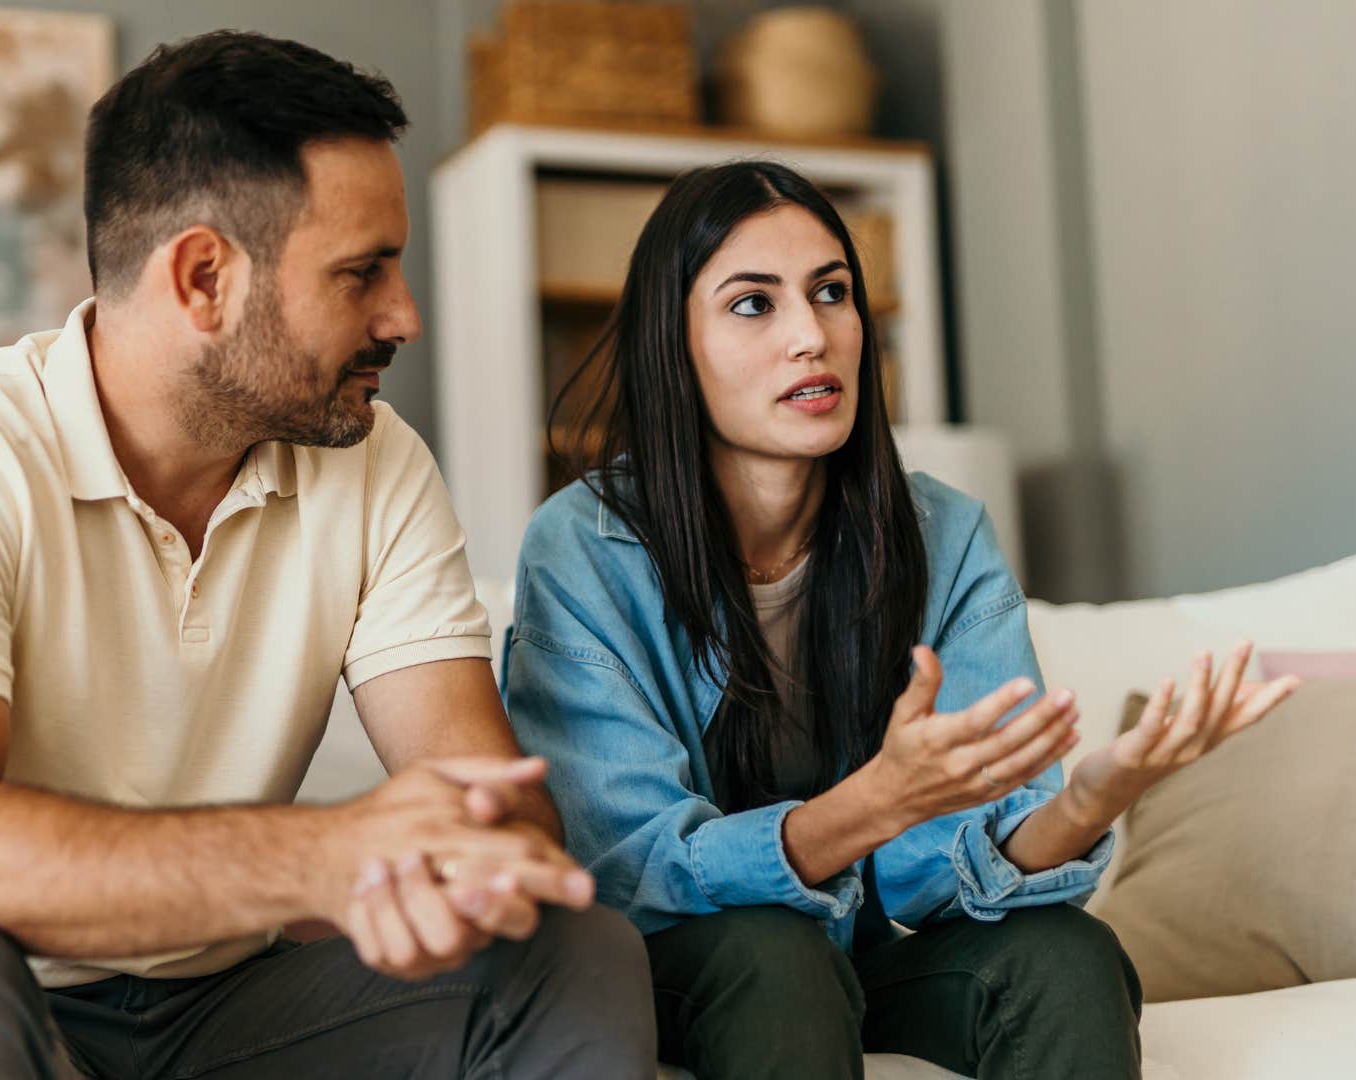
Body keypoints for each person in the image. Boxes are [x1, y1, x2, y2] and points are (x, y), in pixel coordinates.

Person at [0, 31, 655, 1080]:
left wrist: (459, 877)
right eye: (362, 274)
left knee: (568, 952)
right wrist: (318, 859)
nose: (402, 316)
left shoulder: (374, 460)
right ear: (204, 276)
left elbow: (485, 800)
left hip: (214, 1016)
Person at [500, 159, 1299, 1080]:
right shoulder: (583, 547)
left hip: (866, 957)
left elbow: (956, 863)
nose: (811, 336)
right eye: (754, 304)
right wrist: (872, 802)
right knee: (773, 955)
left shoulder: (942, 533)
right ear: (669, 344)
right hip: (687, 965)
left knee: (1066, 958)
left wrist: (1095, 794)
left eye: (831, 292)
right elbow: (629, 868)